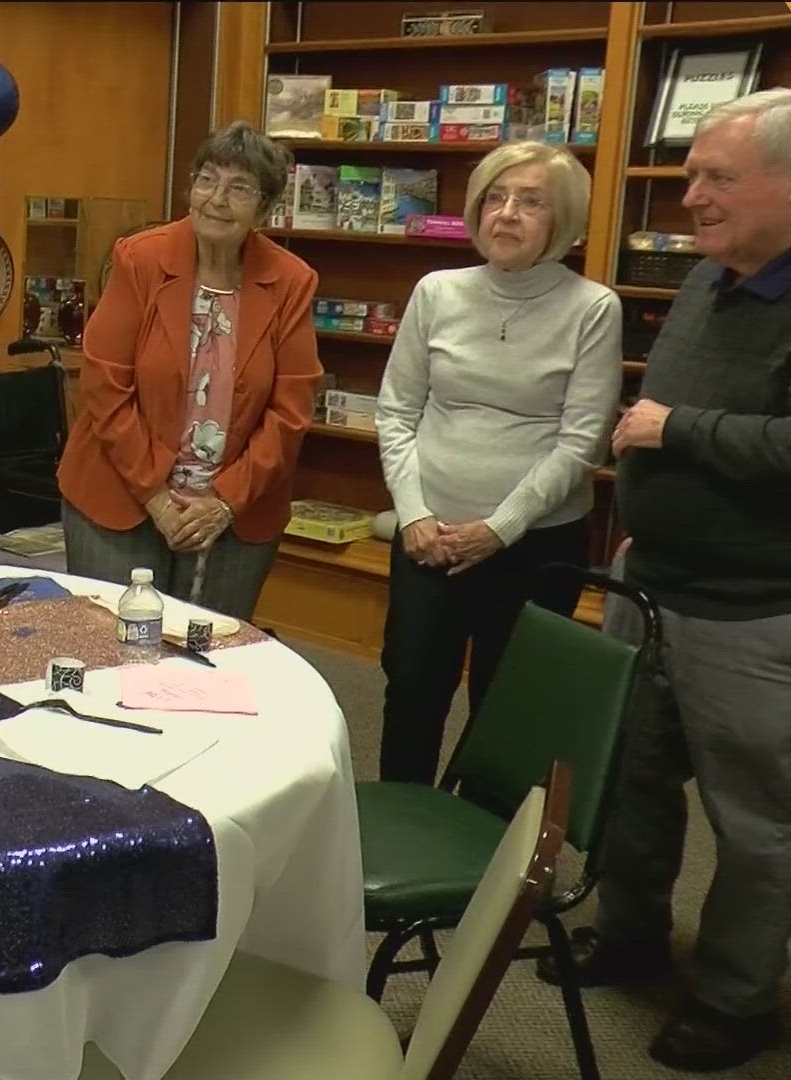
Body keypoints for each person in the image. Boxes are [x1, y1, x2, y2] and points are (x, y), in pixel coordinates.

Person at [555, 89, 791, 1072]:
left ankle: (737, 1001)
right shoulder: (708, 280)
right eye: (690, 172)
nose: (689, 194)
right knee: (629, 790)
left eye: (715, 177)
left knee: (759, 826)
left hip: (753, 613)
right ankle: (631, 935)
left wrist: (676, 430)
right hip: (645, 585)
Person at [373, 142, 622, 786]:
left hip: (535, 544)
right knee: (412, 691)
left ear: (562, 220)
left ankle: (488, 864)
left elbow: (582, 440)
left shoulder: (593, 307)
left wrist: (499, 528)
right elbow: (396, 414)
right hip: (428, 539)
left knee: (508, 704)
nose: (506, 213)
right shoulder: (436, 291)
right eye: (494, 198)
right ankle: (398, 839)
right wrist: (414, 516)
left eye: (529, 201)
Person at [56, 121, 321, 619]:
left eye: (239, 188)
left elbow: (291, 411)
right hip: (119, 496)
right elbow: (104, 386)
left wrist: (221, 502)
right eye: (207, 179)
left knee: (210, 661)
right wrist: (157, 497)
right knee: (110, 654)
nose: (217, 199)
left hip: (235, 511)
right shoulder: (140, 259)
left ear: (264, 209)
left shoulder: (292, 281)